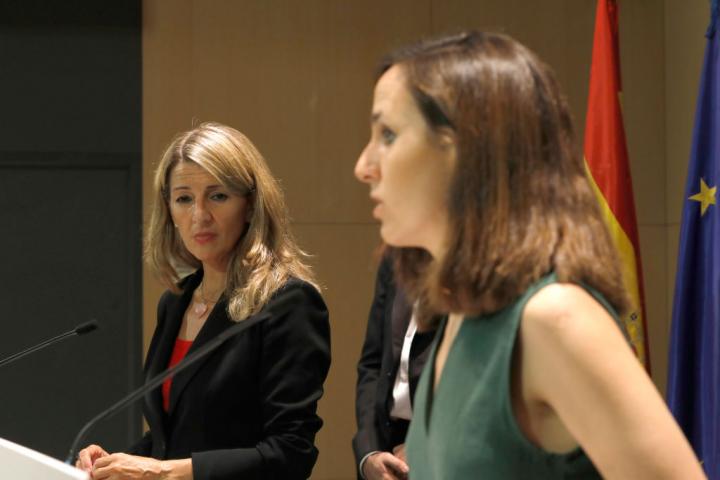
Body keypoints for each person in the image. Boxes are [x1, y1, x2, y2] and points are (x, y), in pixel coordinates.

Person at [354, 31, 705, 479]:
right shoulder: (460, 312)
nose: (364, 166)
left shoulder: (554, 319)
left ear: (469, 151)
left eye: (388, 134)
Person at [76, 122, 331, 480]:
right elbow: (175, 437)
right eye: (184, 199)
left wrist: (159, 472)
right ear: (169, 210)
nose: (199, 215)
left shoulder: (288, 303)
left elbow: (290, 453)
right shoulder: (175, 302)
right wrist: (116, 463)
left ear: (251, 205)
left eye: (218, 196)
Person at [353, 253, 436, 480]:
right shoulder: (394, 259)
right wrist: (369, 453)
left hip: (439, 448)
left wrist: (421, 443)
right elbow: (372, 365)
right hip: (384, 444)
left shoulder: (470, 266)